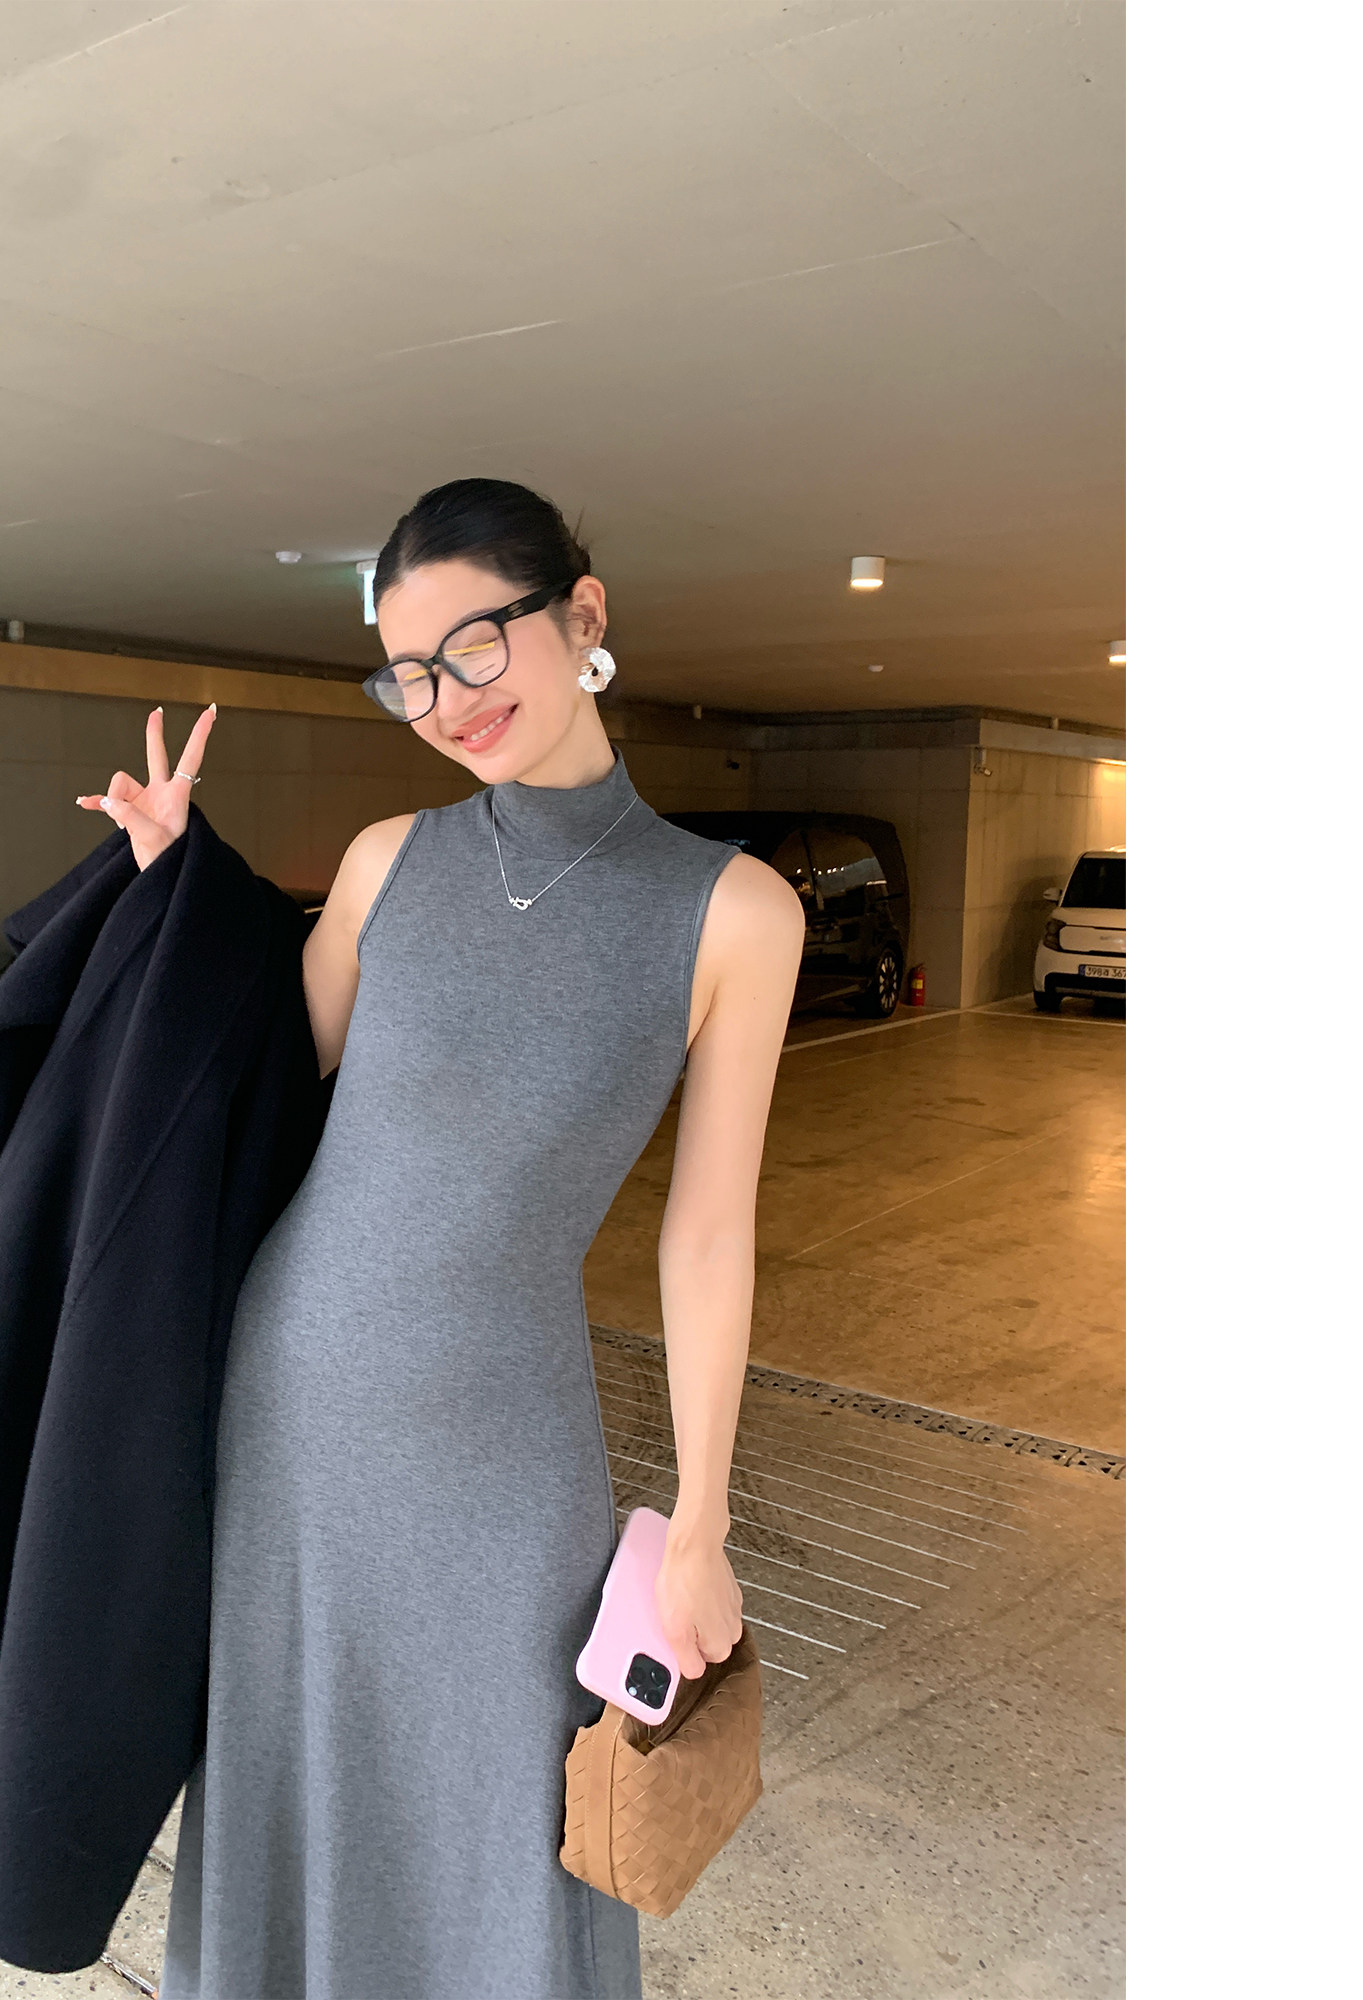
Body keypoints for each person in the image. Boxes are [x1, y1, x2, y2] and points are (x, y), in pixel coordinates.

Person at [75, 479, 803, 2000]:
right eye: (408, 674)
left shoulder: (734, 911)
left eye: (473, 647)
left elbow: (706, 1238)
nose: (444, 701)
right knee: (295, 1764)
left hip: (505, 1439)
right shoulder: (387, 858)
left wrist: (703, 1523)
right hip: (290, 1408)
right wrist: (174, 890)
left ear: (583, 617)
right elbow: (257, 1083)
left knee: (507, 1809)